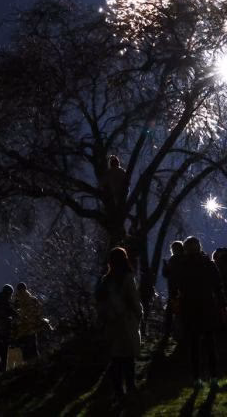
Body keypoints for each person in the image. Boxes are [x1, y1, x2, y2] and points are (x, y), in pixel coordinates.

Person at [173, 236, 225, 385]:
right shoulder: (208, 263)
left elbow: (176, 287)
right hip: (207, 305)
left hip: (189, 308)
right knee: (210, 343)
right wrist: (222, 305)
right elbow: (218, 285)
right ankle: (214, 376)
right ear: (199, 247)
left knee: (194, 345)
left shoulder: (181, 266)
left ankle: (196, 378)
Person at [95, 247, 142, 399]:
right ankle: (130, 388)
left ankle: (118, 391)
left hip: (111, 322)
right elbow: (134, 300)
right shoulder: (127, 277)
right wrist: (139, 316)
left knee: (116, 358)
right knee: (128, 358)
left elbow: (99, 302)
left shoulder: (106, 280)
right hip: (126, 321)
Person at [99, 155, 131, 243]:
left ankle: (121, 233)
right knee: (120, 213)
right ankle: (122, 233)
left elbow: (102, 183)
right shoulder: (122, 171)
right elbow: (128, 183)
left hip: (116, 195)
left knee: (118, 213)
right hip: (122, 194)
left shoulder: (110, 172)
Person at [11, 284, 47, 363]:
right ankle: (36, 366)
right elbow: (39, 312)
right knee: (34, 349)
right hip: (32, 329)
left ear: (17, 290)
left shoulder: (15, 302)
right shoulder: (33, 299)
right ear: (25, 288)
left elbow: (13, 317)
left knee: (25, 352)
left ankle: (27, 367)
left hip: (21, 331)